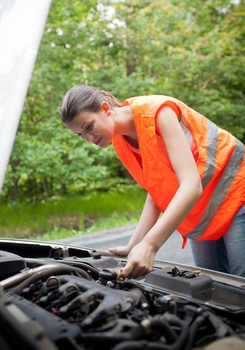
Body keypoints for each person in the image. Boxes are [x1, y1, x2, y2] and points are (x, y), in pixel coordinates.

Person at [60, 85, 245, 278]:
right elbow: (157, 191)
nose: (88, 138)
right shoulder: (120, 141)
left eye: (88, 127)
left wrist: (150, 245)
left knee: (240, 283)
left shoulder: (158, 112)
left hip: (236, 191)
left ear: (106, 109)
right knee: (211, 285)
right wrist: (134, 245)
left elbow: (191, 185)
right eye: (80, 135)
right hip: (202, 210)